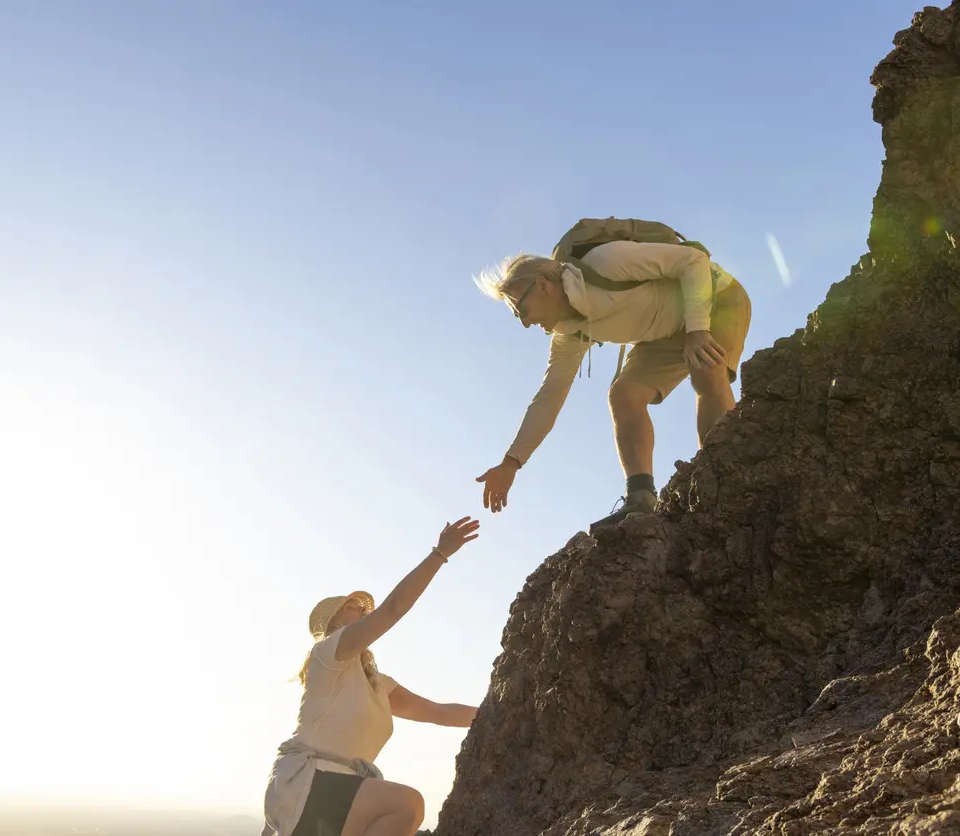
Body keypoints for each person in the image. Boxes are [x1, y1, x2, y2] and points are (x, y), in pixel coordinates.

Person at [473, 240, 752, 530]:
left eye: (521, 310)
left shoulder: (606, 262)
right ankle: (640, 497)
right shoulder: (568, 336)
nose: (525, 324)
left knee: (706, 368)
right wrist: (511, 463)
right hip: (663, 331)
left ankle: (722, 477)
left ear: (543, 285)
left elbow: (693, 261)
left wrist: (698, 329)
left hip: (716, 299)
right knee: (624, 394)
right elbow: (549, 398)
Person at [261, 517, 482, 836]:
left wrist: (501, 715)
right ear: (334, 626)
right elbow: (393, 608)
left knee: (405, 810)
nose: (363, 610)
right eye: (352, 607)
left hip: (336, 794)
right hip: (307, 783)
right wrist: (439, 554)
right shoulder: (327, 654)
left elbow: (439, 712)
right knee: (406, 804)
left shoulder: (378, 685)